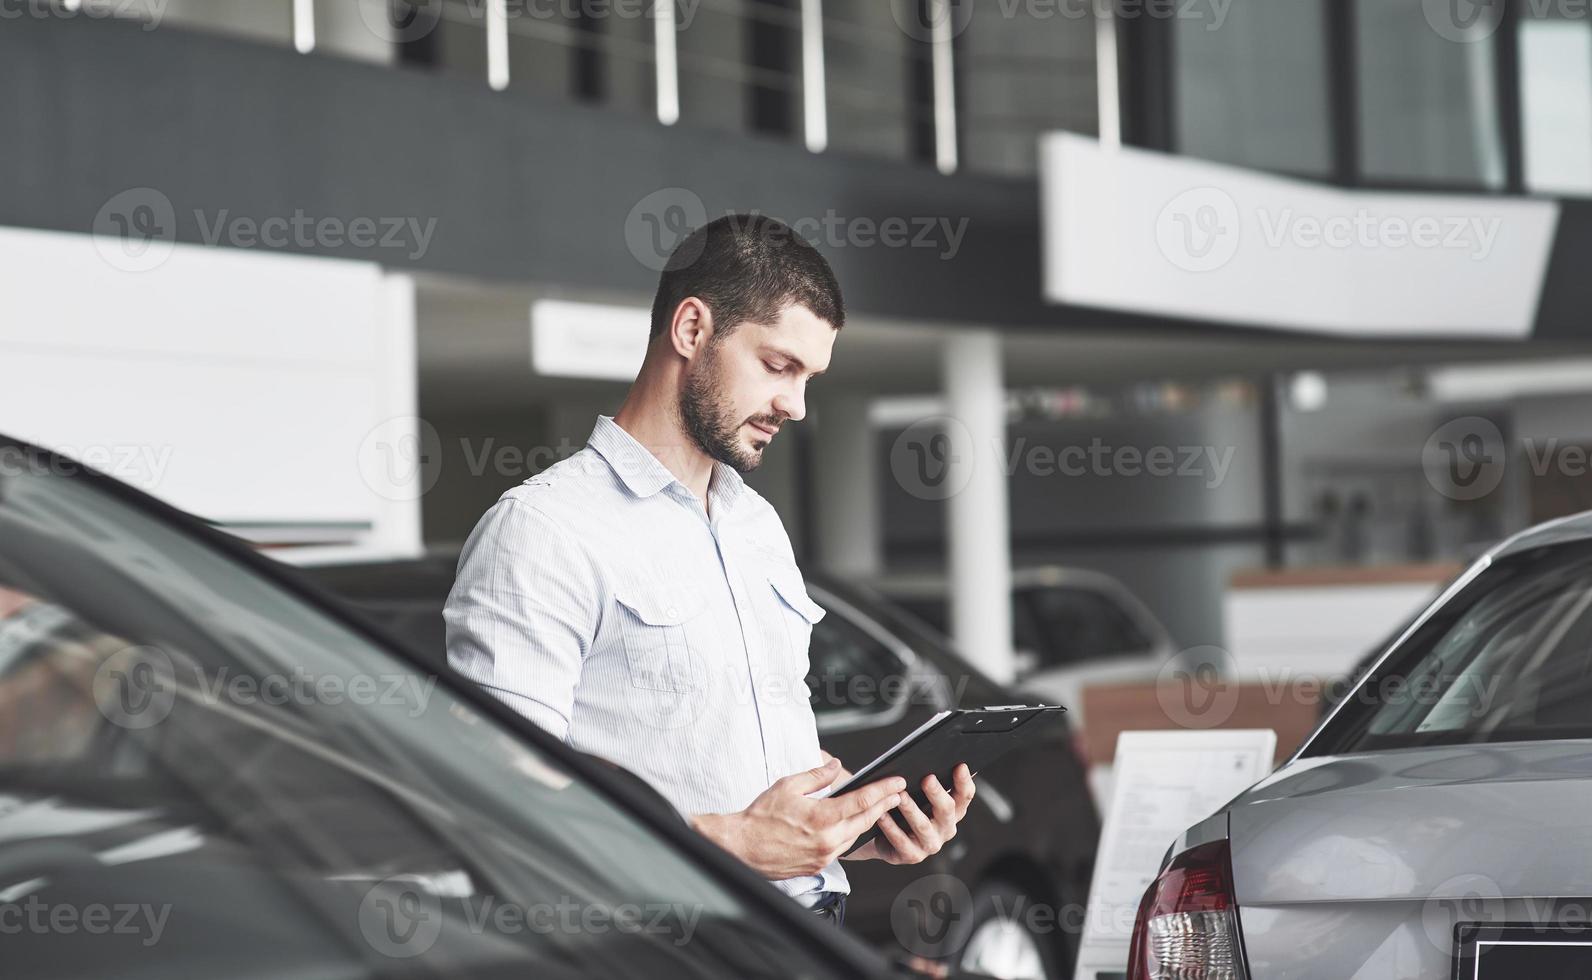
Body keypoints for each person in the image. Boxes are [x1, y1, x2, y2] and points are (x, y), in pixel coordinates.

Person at [445, 213, 975, 927]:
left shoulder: (757, 527)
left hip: (811, 931)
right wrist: (736, 844)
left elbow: (737, 764)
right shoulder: (542, 531)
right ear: (691, 330)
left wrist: (852, 830)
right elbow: (500, 810)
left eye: (809, 378)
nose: (796, 405)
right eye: (779, 366)